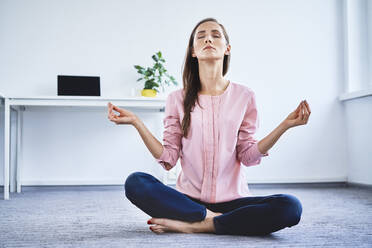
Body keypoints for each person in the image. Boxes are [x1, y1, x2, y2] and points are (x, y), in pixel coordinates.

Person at [107, 17, 311, 235]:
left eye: (215, 35)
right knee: (136, 182)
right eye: (201, 36)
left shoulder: (245, 96)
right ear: (193, 51)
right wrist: (137, 123)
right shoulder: (177, 98)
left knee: (290, 206)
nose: (208, 40)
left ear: (227, 48)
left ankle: (195, 226)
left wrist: (285, 125)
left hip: (233, 201)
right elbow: (168, 159)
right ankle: (217, 220)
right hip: (187, 201)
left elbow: (249, 157)